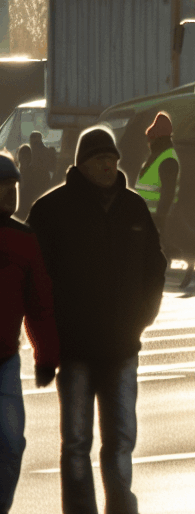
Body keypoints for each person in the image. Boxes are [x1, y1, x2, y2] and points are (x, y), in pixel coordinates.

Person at [27, 128, 166, 514]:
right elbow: (36, 281)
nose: (108, 165)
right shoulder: (51, 210)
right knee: (75, 443)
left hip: (122, 346)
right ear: (81, 164)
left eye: (113, 159)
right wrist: (46, 343)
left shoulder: (133, 207)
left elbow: (156, 265)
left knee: (120, 440)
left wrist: (143, 316)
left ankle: (121, 508)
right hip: (74, 350)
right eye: (99, 160)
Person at [0, 152, 59, 513]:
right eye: (3, 188)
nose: (11, 194)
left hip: (5, 361)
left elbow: (40, 304)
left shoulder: (24, 239)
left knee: (11, 444)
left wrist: (46, 356)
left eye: (14, 188)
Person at [134, 112, 178, 235]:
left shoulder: (167, 160)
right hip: (146, 219)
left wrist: (159, 222)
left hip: (155, 221)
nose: (148, 144)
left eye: (150, 140)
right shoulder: (156, 157)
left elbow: (167, 193)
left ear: (156, 139)